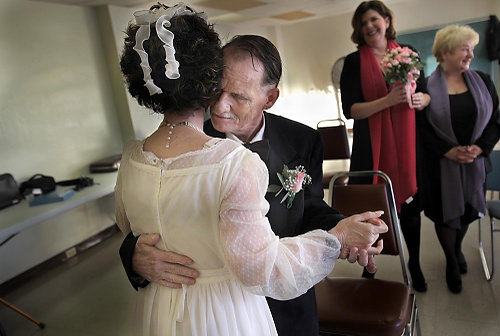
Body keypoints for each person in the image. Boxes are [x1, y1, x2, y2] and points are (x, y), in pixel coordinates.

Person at [116, 4, 388, 335]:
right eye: (217, 91)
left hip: (289, 300)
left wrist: (344, 230)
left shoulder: (303, 140)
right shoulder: (190, 148)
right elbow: (152, 216)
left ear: (269, 98)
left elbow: (312, 208)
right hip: (217, 307)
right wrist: (132, 255)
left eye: (239, 97)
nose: (220, 105)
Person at [340, 0, 431, 292]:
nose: (369, 26)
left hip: (408, 145)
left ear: (387, 20)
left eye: (373, 20)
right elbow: (351, 110)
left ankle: (414, 263)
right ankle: (369, 265)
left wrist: (421, 100)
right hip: (370, 148)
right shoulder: (352, 63)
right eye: (363, 23)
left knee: (411, 208)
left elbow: (426, 93)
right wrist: (387, 102)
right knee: (371, 210)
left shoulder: (409, 54)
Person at [422, 24, 500, 293]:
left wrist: (479, 148)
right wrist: (448, 150)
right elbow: (420, 128)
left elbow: (495, 121)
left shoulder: (483, 81)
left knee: (466, 212)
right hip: (439, 165)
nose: (470, 54)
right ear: (445, 52)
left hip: (475, 163)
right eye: (465, 49)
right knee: (445, 216)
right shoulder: (426, 86)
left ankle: (456, 251)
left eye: (472, 49)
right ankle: (451, 261)